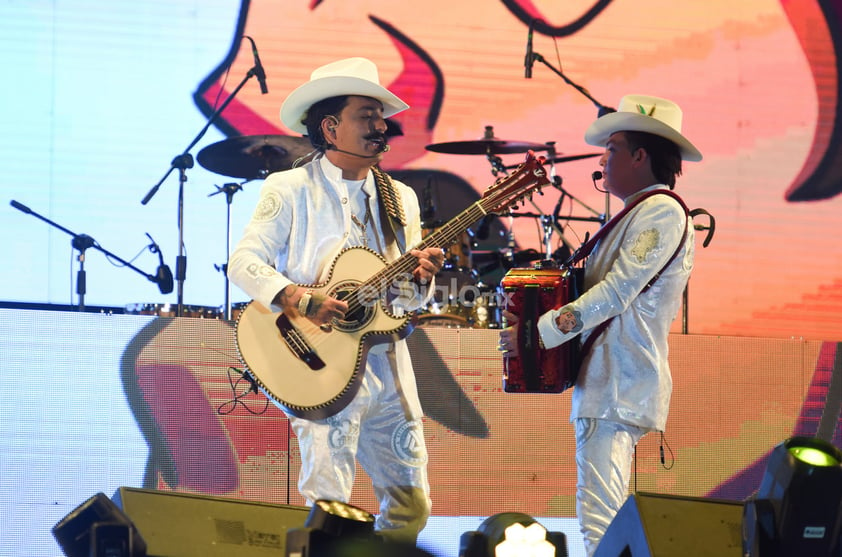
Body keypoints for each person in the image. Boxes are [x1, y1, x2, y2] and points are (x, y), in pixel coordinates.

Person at [227, 57, 445, 543]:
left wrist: (421, 279)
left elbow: (403, 302)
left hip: (386, 364)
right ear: (330, 126)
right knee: (329, 508)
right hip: (316, 361)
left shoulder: (401, 198)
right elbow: (243, 263)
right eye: (366, 114)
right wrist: (302, 302)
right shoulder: (288, 188)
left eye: (380, 115)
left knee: (412, 504)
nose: (379, 125)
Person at [498, 94, 702, 556]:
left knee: (600, 519)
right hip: (611, 379)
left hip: (619, 381)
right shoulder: (642, 210)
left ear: (639, 155)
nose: (602, 160)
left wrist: (535, 335)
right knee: (599, 513)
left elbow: (615, 294)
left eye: (611, 148)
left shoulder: (663, 212)